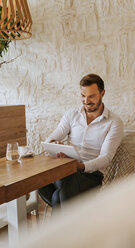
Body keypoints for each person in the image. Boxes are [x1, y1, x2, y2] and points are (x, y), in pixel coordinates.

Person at [39, 73, 124, 211]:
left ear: (102, 93)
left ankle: (62, 225)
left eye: (91, 96)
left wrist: (80, 166)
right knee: (39, 176)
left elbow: (106, 158)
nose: (86, 101)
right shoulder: (71, 115)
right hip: (67, 171)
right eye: (83, 96)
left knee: (59, 191)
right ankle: (71, 229)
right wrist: (55, 143)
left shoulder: (114, 122)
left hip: (91, 176)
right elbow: (51, 138)